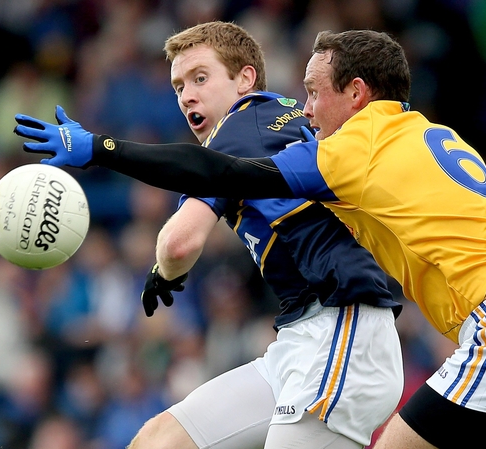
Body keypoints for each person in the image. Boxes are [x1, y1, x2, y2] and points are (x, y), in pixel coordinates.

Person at [14, 29, 486, 449]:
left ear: (355, 94)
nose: (302, 110)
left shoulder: (355, 142)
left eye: (312, 94)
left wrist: (98, 147)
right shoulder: (427, 132)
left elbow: (223, 172)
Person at [50, 22, 406, 449]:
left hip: (344, 330)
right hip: (302, 341)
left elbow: (180, 243)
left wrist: (164, 270)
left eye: (201, 78)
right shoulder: (283, 115)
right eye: (179, 86)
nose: (187, 96)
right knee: (159, 440)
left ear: (246, 79)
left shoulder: (241, 125)